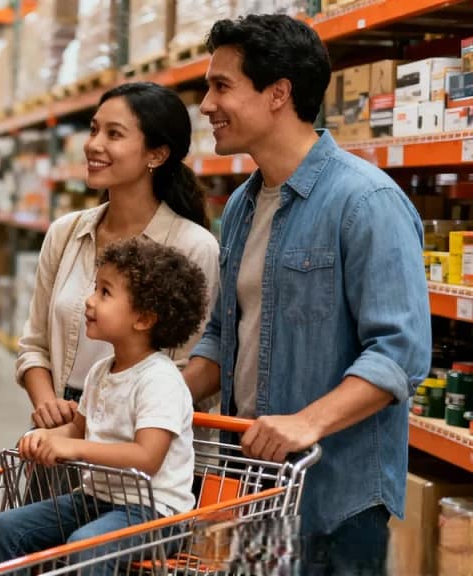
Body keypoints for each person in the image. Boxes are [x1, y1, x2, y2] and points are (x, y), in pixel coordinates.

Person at [182, 14, 431, 574]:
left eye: (221, 86)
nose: (205, 104)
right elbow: (229, 332)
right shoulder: (245, 204)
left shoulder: (365, 202)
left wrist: (307, 421)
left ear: (278, 94)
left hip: (335, 498)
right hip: (254, 486)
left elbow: (399, 354)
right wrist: (162, 395)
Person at [0, 237, 207, 574]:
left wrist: (71, 448)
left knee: (86, 548)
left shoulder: (160, 380)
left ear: (143, 319)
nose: (89, 301)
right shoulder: (102, 371)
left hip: (155, 512)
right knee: (6, 528)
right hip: (96, 500)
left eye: (105, 292)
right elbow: (77, 429)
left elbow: (147, 457)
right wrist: (46, 438)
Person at [15, 82, 219, 436]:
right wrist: (47, 404)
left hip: (140, 443)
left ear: (156, 154)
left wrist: (101, 420)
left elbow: (197, 366)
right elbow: (34, 345)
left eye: (114, 134)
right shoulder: (65, 234)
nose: (94, 144)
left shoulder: (193, 246)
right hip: (60, 433)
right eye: (94, 129)